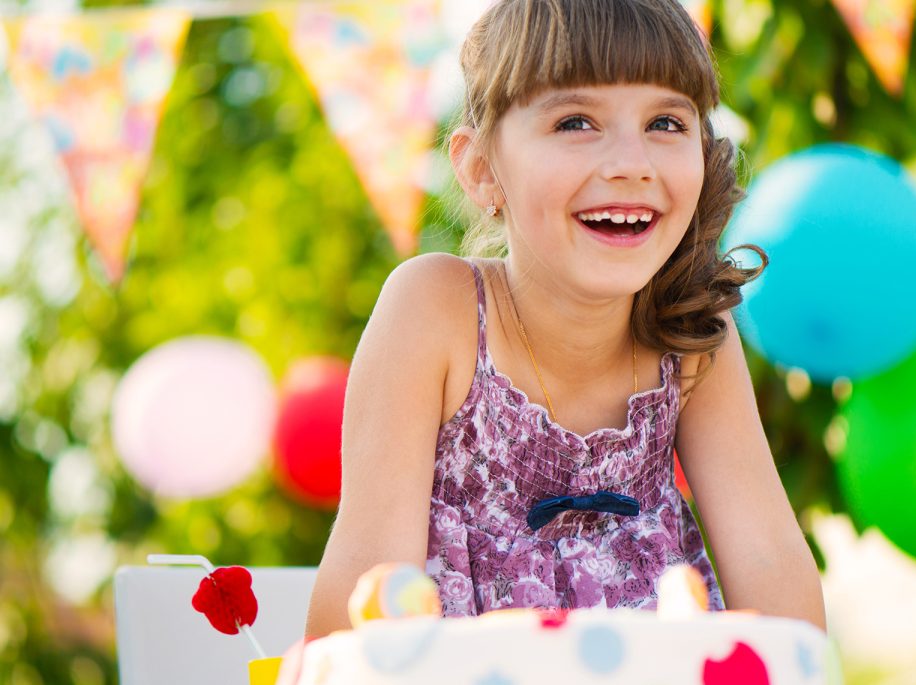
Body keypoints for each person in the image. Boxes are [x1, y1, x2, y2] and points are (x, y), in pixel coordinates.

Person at [305, 0, 825, 637]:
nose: (631, 163)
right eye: (577, 122)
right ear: (480, 168)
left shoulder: (691, 335)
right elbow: (364, 586)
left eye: (665, 122)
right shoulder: (436, 310)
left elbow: (769, 560)